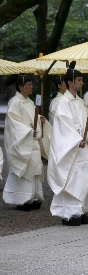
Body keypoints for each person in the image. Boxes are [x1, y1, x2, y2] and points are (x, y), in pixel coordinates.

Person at [48, 62, 88, 226]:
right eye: (79, 80)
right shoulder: (63, 102)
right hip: (71, 147)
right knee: (72, 177)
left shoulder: (79, 101)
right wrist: (76, 138)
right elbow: (63, 126)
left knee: (84, 177)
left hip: (82, 146)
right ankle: (70, 212)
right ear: (70, 82)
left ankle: (82, 209)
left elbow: (85, 121)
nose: (81, 83)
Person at [3, 74, 50, 211]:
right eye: (29, 85)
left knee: (35, 170)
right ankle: (22, 199)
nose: (31, 87)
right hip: (23, 142)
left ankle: (35, 197)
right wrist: (28, 131)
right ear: (21, 87)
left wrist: (41, 119)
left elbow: (33, 116)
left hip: (32, 141)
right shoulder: (15, 102)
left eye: (31, 84)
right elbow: (13, 123)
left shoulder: (29, 101)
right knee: (25, 171)